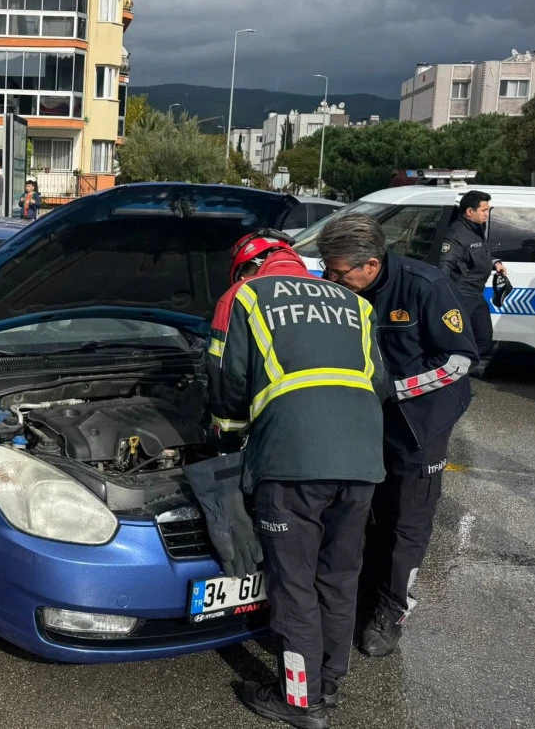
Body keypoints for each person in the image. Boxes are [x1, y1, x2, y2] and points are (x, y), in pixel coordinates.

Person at [207, 231, 387, 729]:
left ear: (247, 269)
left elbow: (226, 380)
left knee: (293, 586)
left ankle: (299, 700)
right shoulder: (355, 303)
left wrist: (227, 438)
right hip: (361, 462)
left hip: (293, 463)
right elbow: (381, 386)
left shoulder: (245, 296)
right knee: (339, 575)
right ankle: (328, 682)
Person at [317, 213, 478, 659]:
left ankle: (392, 611)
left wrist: (394, 390)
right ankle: (359, 598)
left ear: (371, 264)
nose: (331, 280)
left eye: (338, 273)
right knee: (361, 513)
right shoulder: (339, 291)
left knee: (406, 521)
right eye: (326, 270)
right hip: (366, 421)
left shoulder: (424, 286)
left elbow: (460, 360)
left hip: (421, 423)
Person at [438, 190, 507, 377]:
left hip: (476, 294)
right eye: (484, 210)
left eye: (488, 210)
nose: (487, 213)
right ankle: (451, 382)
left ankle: (459, 377)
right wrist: (444, 297)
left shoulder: (476, 229)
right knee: (459, 341)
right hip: (461, 294)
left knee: (483, 340)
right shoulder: (457, 233)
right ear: (470, 211)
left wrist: (494, 263)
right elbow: (445, 264)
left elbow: (480, 253)